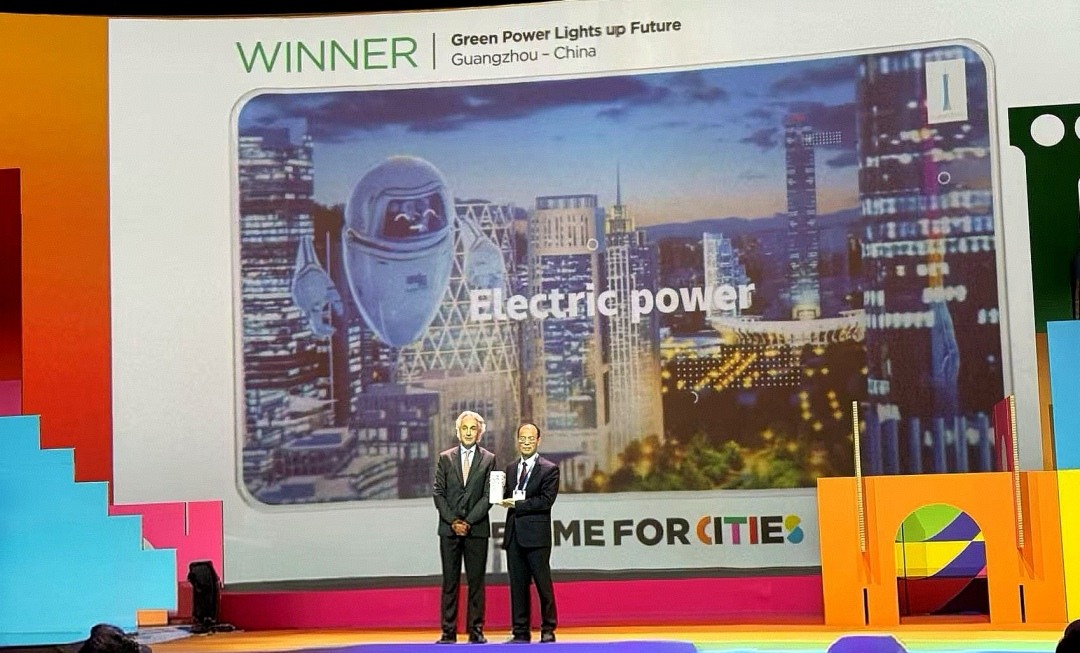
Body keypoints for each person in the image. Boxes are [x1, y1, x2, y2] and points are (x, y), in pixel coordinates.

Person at [433, 410, 497, 644]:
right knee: (450, 582)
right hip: (449, 530)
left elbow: (490, 496)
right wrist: (453, 521)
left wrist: (468, 522)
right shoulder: (445, 458)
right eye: (464, 428)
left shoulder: (489, 459)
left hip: (476, 529)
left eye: (473, 429)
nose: (469, 432)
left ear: (480, 433)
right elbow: (438, 493)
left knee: (476, 582)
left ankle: (476, 630)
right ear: (458, 431)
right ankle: (448, 632)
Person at [499, 422, 559, 643]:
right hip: (514, 535)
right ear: (518, 441)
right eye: (522, 439)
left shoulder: (549, 469)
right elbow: (506, 495)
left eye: (530, 439)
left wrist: (518, 504)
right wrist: (496, 492)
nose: (526, 443)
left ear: (538, 441)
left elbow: (545, 501)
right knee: (517, 586)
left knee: (543, 584)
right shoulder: (510, 469)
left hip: (536, 537)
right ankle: (520, 631)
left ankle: (548, 628)